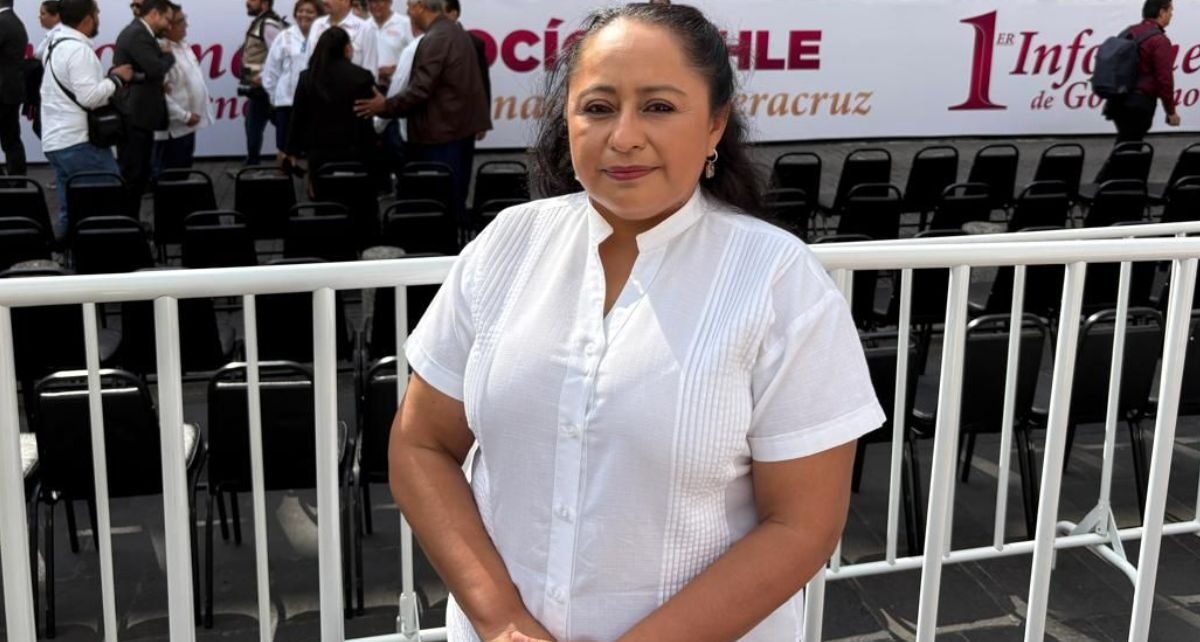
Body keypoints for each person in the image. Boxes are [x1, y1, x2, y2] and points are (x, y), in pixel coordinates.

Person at [387, 4, 883, 642]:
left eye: (658, 107)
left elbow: (801, 525)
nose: (623, 136)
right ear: (567, 120)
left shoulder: (778, 282)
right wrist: (502, 621)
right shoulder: (508, 245)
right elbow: (422, 444)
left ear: (715, 123)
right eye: (597, 107)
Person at [354, 0, 489, 224]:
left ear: (420, 7)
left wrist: (384, 106)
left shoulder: (437, 39)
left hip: (440, 136)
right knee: (452, 202)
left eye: (409, 7)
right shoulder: (454, 31)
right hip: (455, 131)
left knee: (436, 206)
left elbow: (419, 90)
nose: (407, 13)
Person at [40, 0, 134, 236]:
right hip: (79, 143)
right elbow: (90, 97)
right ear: (88, 19)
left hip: (56, 142)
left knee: (71, 209)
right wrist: (117, 79)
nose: (99, 17)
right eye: (97, 13)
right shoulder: (78, 50)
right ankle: (108, 251)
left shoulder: (53, 44)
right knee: (109, 202)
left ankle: (71, 251)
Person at [286, 26, 376, 181]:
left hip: (319, 151)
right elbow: (367, 116)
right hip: (355, 150)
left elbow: (298, 116)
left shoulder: (307, 77)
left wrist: (292, 150)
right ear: (347, 49)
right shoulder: (362, 77)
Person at [113, 0, 174, 215]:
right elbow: (156, 68)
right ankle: (129, 223)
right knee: (134, 174)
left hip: (139, 115)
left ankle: (131, 221)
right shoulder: (138, 34)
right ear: (155, 14)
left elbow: (149, 72)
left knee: (138, 172)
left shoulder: (141, 33)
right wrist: (168, 55)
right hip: (135, 116)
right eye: (167, 20)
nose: (169, 26)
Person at [1103, 0, 1181, 142]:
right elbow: (1165, 80)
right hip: (1140, 103)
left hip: (1117, 100)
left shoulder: (1127, 32)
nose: (1172, 15)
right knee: (1130, 146)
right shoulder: (1159, 40)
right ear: (1162, 12)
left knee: (1126, 142)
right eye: (1171, 10)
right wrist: (1171, 111)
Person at [262, 0, 323, 165]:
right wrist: (276, 98)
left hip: (315, 103)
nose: (304, 15)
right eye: (300, 11)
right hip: (287, 103)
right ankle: (284, 180)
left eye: (309, 11)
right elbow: (271, 70)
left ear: (318, 15)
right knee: (285, 150)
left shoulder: (323, 36)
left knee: (315, 149)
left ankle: (313, 181)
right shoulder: (284, 37)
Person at [153, 2, 210, 176]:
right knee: (171, 177)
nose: (186, 24)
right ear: (167, 25)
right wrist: (184, 116)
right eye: (181, 21)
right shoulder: (161, 51)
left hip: (186, 127)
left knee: (183, 174)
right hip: (174, 130)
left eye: (185, 19)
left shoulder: (183, 46)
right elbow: (159, 94)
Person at [240, 0, 286, 167]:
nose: (247, 2)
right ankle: (253, 161)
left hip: (266, 89)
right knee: (254, 124)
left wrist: (263, 77)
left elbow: (280, 56)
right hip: (260, 89)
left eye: (253, 0)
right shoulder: (261, 23)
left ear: (265, 4)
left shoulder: (268, 25)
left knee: (256, 125)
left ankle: (256, 162)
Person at [307, 0, 378, 80]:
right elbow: (308, 62)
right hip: (317, 85)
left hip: (352, 86)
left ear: (346, 1)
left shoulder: (364, 29)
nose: (324, 1)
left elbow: (370, 69)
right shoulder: (317, 25)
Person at [0, 0, 29, 176]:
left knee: (10, 139)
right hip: (9, 90)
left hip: (3, 91)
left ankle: (15, 179)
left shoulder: (3, 22)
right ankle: (16, 178)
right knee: (10, 137)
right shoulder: (14, 21)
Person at [367, 0, 412, 87]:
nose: (374, 5)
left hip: (398, 86)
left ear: (390, 2)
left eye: (379, 2)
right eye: (371, 2)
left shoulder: (405, 23)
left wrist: (396, 70)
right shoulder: (365, 26)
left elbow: (415, 55)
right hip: (370, 85)